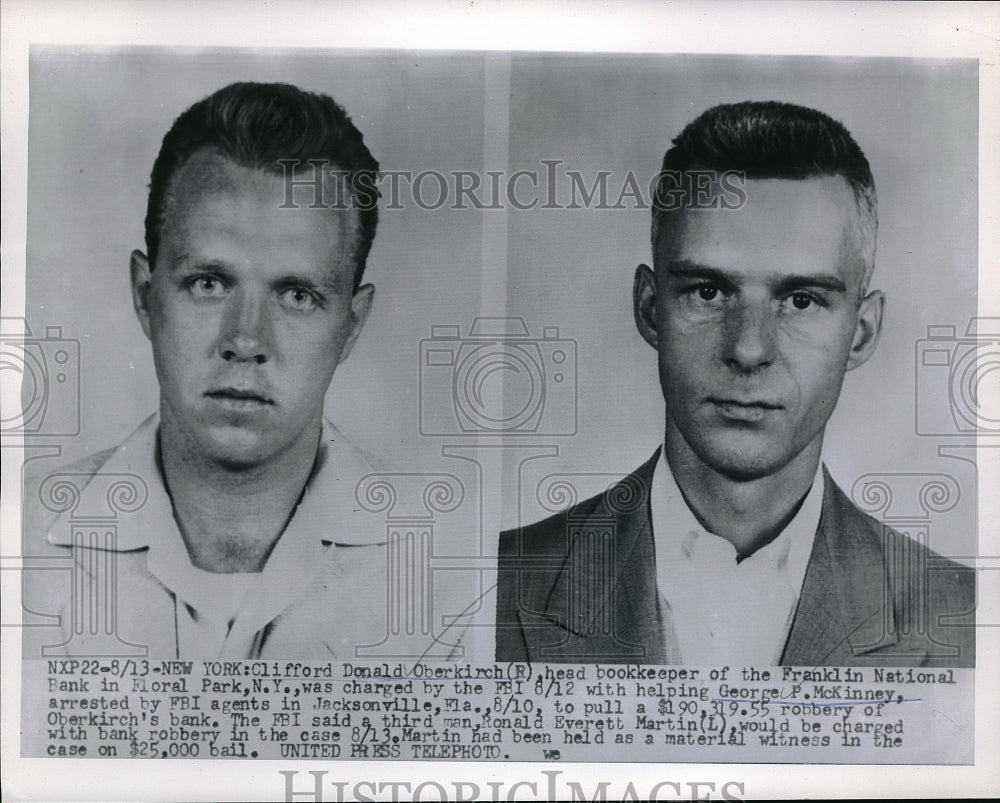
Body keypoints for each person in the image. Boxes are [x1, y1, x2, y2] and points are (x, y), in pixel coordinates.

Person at [496, 101, 975, 667]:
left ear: (861, 333)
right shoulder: (494, 586)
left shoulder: (972, 621)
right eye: (708, 291)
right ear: (650, 309)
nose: (749, 349)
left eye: (801, 300)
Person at [23, 81, 430, 660]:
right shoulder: (16, 533)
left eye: (296, 295)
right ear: (145, 295)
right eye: (208, 284)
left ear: (351, 325)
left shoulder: (461, 573)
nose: (245, 340)